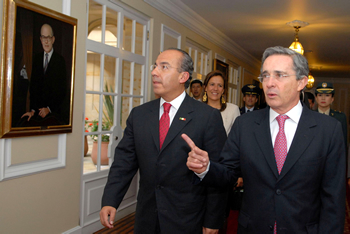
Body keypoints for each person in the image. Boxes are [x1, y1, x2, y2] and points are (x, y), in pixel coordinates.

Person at [183, 46, 346, 233]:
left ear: (301, 82)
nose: (269, 83)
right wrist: (206, 168)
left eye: (279, 75)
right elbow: (228, 173)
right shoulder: (245, 125)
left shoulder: (328, 130)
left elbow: (334, 198)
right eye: (265, 76)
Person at [100, 48, 228, 233]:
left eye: (164, 67)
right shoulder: (140, 115)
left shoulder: (207, 117)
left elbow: (220, 173)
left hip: (187, 220)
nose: (154, 72)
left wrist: (213, 220)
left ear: (183, 76)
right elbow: (123, 163)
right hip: (147, 219)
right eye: (155, 66)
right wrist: (110, 200)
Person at [21, 24, 67, 126]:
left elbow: (62, 91)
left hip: (54, 116)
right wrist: (32, 110)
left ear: (53, 39)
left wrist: (49, 109)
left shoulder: (60, 61)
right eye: (43, 37)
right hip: (37, 115)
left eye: (48, 38)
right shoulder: (36, 59)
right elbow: (33, 87)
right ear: (40, 39)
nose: (46, 41)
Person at [203, 70, 240, 135]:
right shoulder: (197, 109)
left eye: (220, 85)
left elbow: (238, 137)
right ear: (205, 87)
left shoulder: (233, 110)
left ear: (223, 90)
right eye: (212, 84)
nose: (215, 88)